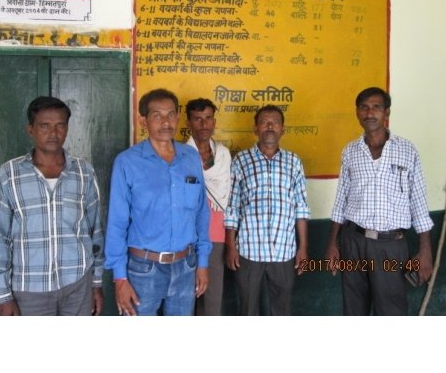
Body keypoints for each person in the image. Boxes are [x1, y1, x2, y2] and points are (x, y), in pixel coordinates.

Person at [0, 96, 105, 316]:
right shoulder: (9, 175)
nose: (54, 133)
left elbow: (94, 230)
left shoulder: (83, 172)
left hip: (77, 283)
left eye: (60, 125)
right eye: (45, 126)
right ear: (30, 129)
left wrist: (96, 283)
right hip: (29, 289)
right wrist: (3, 295)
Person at [325, 87, 434, 315]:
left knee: (391, 312)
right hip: (353, 242)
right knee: (354, 310)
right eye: (364, 107)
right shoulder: (350, 151)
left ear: (386, 113)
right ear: (357, 113)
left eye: (376, 107)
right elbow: (341, 202)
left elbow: (420, 206)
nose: (369, 113)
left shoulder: (407, 150)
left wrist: (425, 251)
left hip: (391, 246)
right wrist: (333, 244)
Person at [105, 88, 212, 315]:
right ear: (143, 121)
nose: (166, 122)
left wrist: (202, 263)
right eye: (157, 115)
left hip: (186, 266)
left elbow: (202, 213)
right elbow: (117, 222)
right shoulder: (127, 162)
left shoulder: (190, 158)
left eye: (171, 115)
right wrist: (120, 278)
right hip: (143, 269)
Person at [224, 104, 310, 315]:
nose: (269, 127)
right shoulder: (241, 160)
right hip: (248, 250)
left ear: (283, 129)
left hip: (284, 250)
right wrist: (230, 246)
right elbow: (232, 207)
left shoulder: (293, 162)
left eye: (275, 123)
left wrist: (303, 248)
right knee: (247, 309)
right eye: (264, 122)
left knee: (282, 310)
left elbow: (301, 208)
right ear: (256, 129)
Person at [185, 98, 232, 316]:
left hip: (216, 234)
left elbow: (228, 195)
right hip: (186, 235)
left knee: (212, 299)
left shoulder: (223, 155)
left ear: (214, 121)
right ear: (188, 123)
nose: (204, 124)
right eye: (197, 119)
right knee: (185, 297)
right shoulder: (180, 155)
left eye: (208, 118)